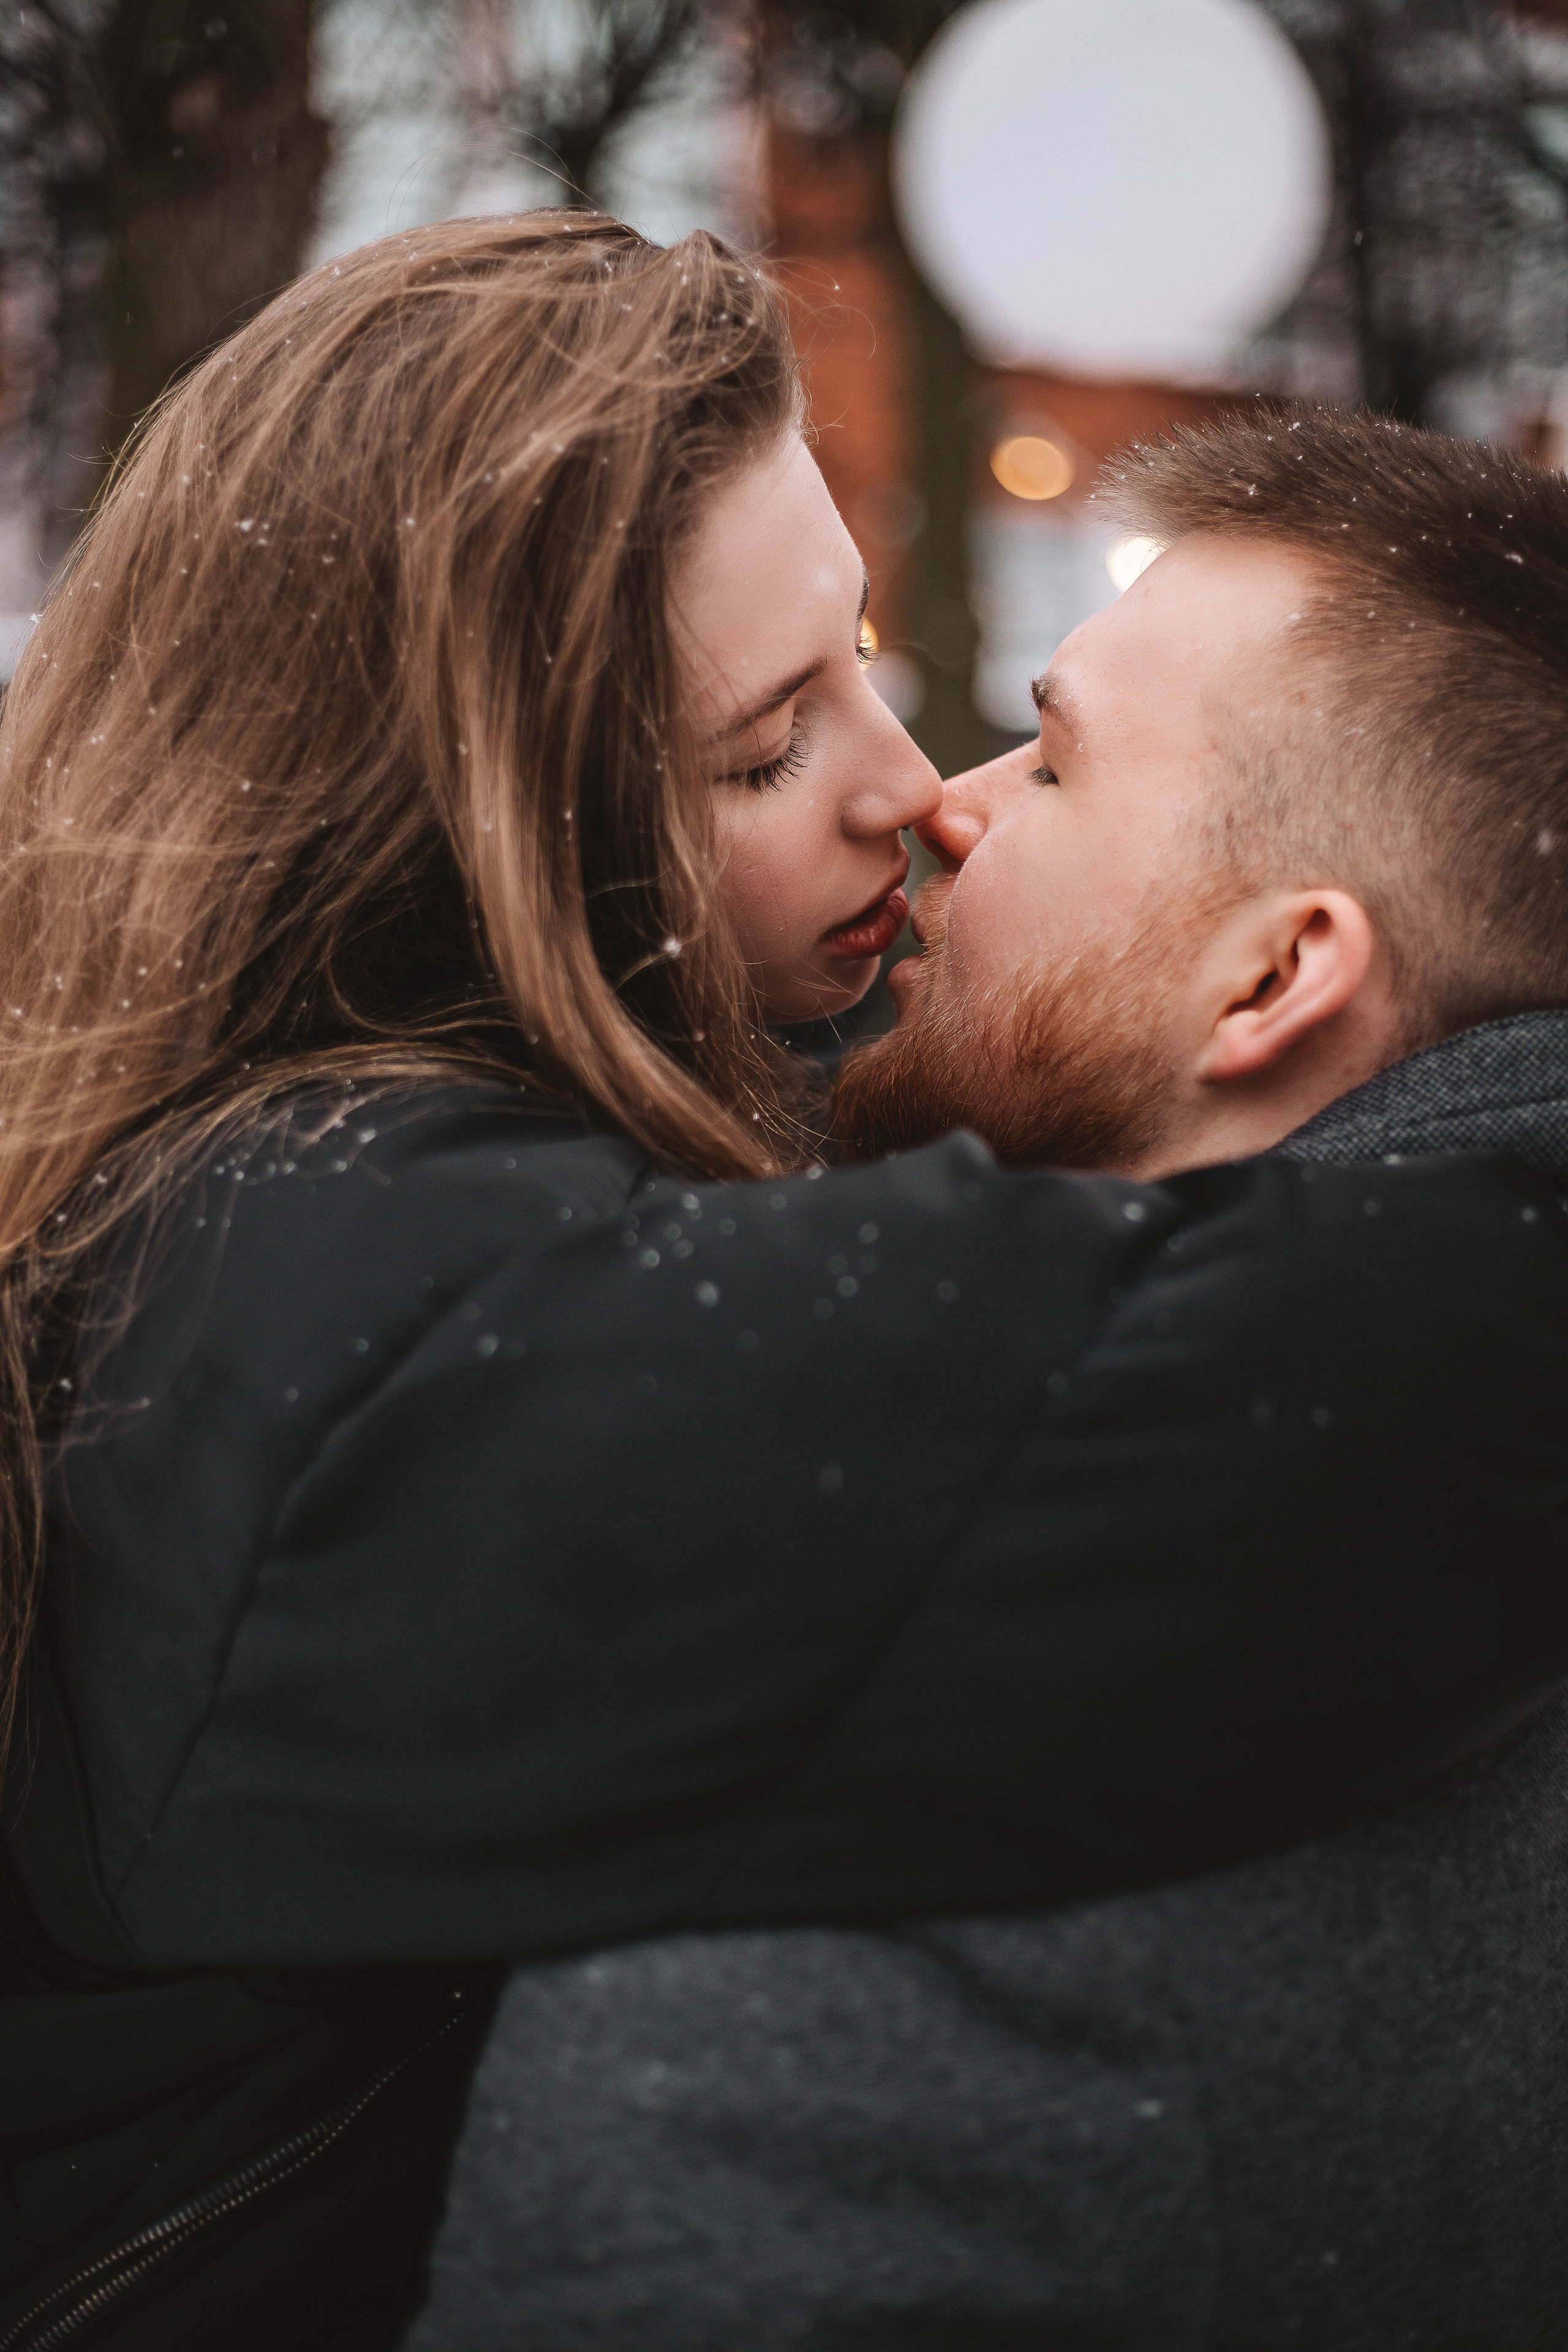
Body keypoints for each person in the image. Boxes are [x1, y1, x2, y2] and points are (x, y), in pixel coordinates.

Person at [0, 208, 1562, 2352]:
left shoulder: (397, 1158)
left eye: (865, 652)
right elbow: (1168, 1401)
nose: (909, 789)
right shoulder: (303, 1283)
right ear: (476, 835)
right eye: (759, 749)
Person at [405, 402, 1568, 2350]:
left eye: (1061, 757)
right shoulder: (1451, 1494)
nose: (951, 795)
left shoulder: (976, 1724)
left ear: (1274, 977)